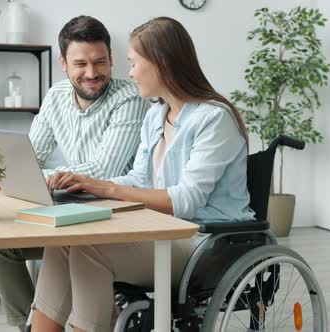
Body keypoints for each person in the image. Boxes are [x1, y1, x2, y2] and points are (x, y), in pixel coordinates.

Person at [31, 17, 256, 332]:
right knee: (62, 242)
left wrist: (106, 189)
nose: (131, 72)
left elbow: (185, 200)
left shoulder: (213, 119)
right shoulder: (155, 115)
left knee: (89, 249)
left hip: (205, 243)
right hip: (163, 233)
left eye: (135, 63)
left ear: (162, 64)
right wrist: (89, 185)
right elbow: (139, 181)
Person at [0, 15, 149, 332]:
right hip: (69, 207)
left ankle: (77, 316)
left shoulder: (129, 98)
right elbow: (28, 156)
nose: (92, 73)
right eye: (81, 64)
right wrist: (43, 176)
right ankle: (30, 324)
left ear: (112, 60)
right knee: (0, 245)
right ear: (63, 63)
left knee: (59, 245)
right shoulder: (56, 95)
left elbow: (105, 170)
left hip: (115, 213)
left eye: (100, 62)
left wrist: (47, 175)